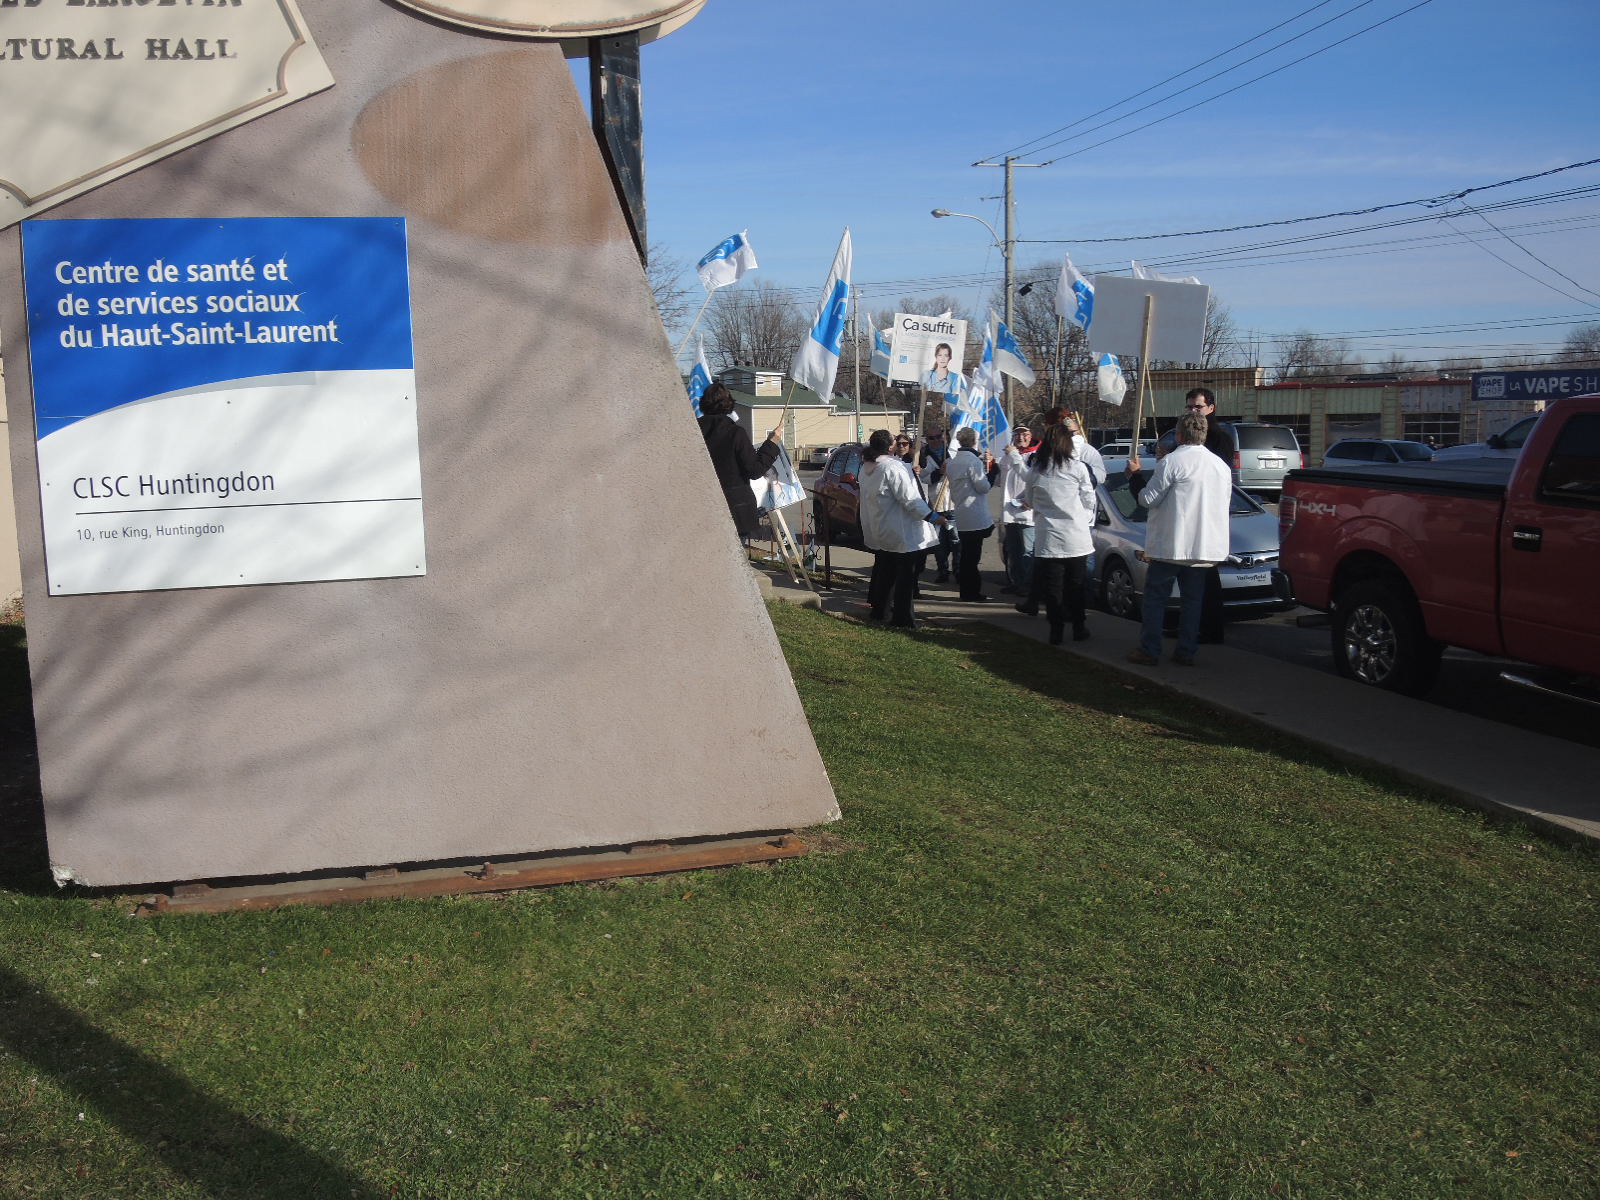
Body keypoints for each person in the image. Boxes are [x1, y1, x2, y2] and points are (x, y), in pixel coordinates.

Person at [1124, 412, 1232, 667]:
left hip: (1172, 544)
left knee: (1155, 598)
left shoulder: (1172, 462)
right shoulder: (1220, 466)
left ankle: (1150, 649)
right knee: (1193, 602)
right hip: (1205, 545)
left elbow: (1147, 499)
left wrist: (1136, 477)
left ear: (1180, 435)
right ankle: (1186, 650)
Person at [859, 429, 952, 627]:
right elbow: (909, 500)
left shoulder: (867, 467)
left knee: (887, 574)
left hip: (882, 527)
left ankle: (879, 611)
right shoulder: (892, 468)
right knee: (905, 578)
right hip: (901, 531)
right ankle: (902, 618)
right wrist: (933, 517)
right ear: (891, 446)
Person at [1022, 424, 1097, 645]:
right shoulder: (1077, 468)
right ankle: (1079, 626)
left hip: (1049, 537)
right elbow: (1089, 499)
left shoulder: (1036, 471)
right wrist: (1079, 517)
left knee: (1053, 588)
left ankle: (1056, 629)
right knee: (1076, 585)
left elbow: (1030, 500)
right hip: (1076, 536)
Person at [696, 381, 779, 539]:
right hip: (736, 510)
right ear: (728, 404)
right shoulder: (735, 433)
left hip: (702, 508)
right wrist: (772, 443)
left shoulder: (693, 433)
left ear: (704, 404)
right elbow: (754, 470)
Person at [1181, 386, 1231, 644]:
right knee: (1193, 577)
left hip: (1208, 513)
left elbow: (1214, 475)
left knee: (1207, 574)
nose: (1193, 412)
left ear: (1211, 408)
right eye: (1189, 407)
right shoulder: (1185, 437)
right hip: (1190, 512)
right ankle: (1192, 627)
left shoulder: (1220, 438)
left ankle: (1211, 629)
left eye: (1198, 407)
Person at [946, 426, 999, 601]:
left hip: (961, 513)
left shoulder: (953, 462)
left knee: (966, 555)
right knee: (972, 558)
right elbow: (982, 487)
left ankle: (966, 590)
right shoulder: (973, 461)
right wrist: (992, 474)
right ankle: (971, 592)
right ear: (974, 442)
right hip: (974, 515)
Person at [997, 425, 1036, 596]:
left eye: (1024, 434)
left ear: (1031, 436)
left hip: (1027, 512)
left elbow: (1030, 477)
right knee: (1013, 550)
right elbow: (1000, 480)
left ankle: (1029, 586)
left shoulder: (1036, 455)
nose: (1021, 437)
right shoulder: (1008, 455)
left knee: (1028, 551)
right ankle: (1016, 581)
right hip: (1009, 512)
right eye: (1017, 434)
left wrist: (1031, 499)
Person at [918, 428, 957, 582]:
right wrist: (939, 472)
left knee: (956, 541)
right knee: (939, 544)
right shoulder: (923, 455)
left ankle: (958, 571)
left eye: (938, 436)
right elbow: (924, 478)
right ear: (927, 439)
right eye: (931, 437)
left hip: (952, 503)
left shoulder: (952, 453)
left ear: (944, 437)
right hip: (936, 505)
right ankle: (943, 572)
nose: (935, 440)